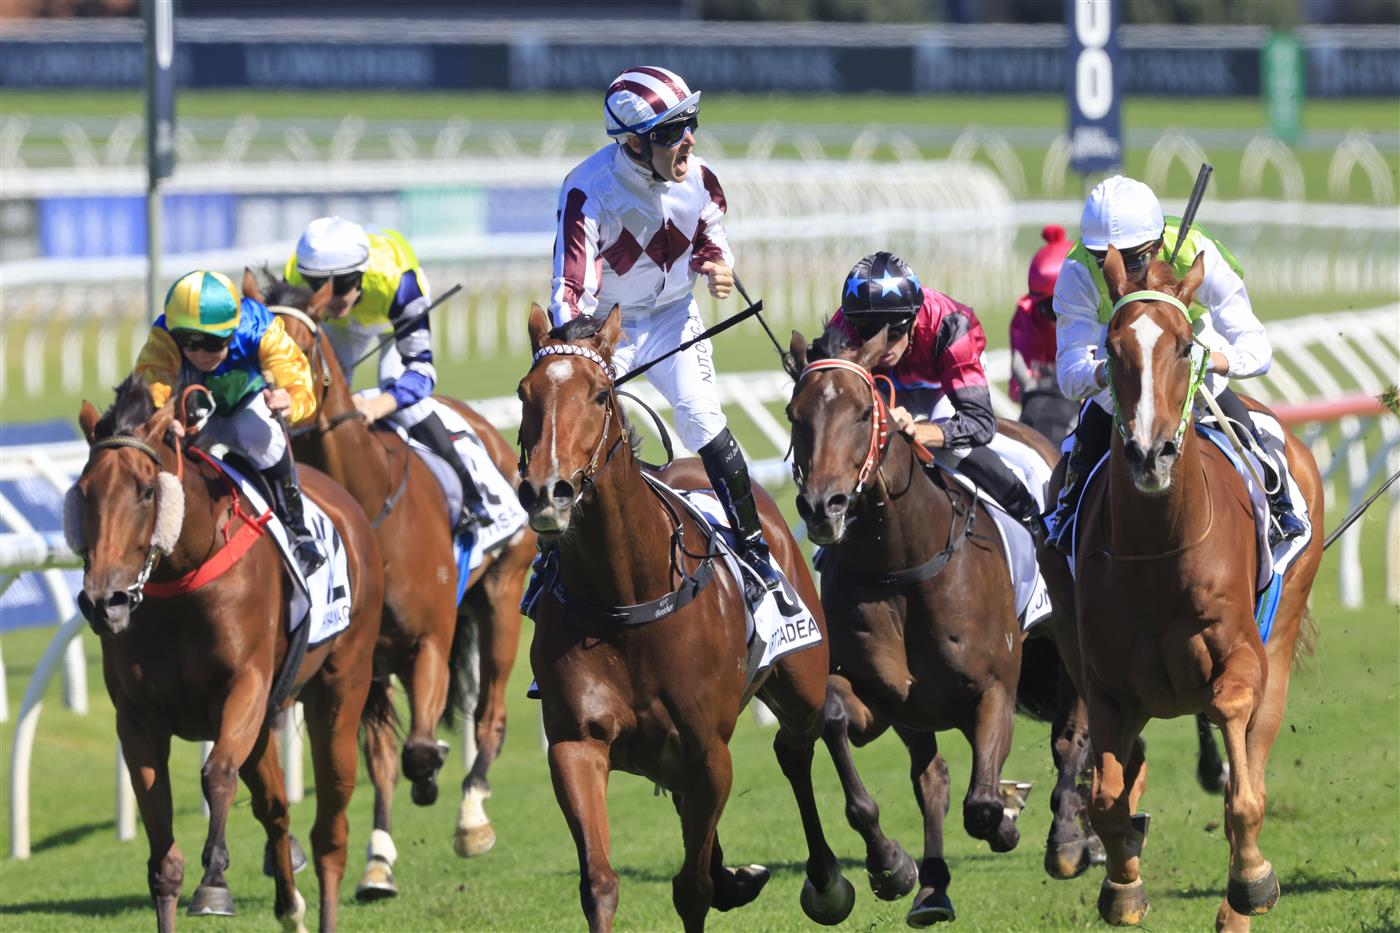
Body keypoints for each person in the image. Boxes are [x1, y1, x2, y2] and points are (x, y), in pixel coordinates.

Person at [547, 65, 780, 600]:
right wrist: (583, 357)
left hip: (675, 319)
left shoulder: (699, 178)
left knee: (702, 420)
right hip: (610, 332)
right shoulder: (588, 190)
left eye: (690, 124)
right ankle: (552, 569)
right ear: (632, 142)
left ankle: (756, 554)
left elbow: (709, 233)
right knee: (577, 438)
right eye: (671, 132)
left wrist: (718, 264)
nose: (688, 140)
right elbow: (570, 291)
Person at [1047, 174, 1307, 554]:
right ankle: (1065, 517)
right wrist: (1110, 370)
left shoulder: (1196, 249)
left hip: (1188, 349)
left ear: (1156, 243)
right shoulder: (1076, 271)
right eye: (1106, 260)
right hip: (1123, 357)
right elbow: (1070, 375)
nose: (1122, 269)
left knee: (1247, 435)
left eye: (1135, 258)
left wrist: (1209, 361)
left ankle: (1282, 505)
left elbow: (1257, 348)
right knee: (1081, 444)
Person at [283, 216, 492, 534]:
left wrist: (376, 406)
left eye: (341, 285)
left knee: (395, 383)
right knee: (318, 394)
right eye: (318, 286)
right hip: (341, 327)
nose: (330, 297)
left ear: (362, 273)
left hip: (388, 314)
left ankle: (471, 497)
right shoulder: (293, 277)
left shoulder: (398, 281)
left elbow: (421, 372)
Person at [830, 251, 1047, 545]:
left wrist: (916, 431)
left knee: (950, 449)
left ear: (913, 317)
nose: (882, 346)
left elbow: (979, 423)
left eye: (893, 332)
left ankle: (1028, 512)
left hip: (942, 383)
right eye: (869, 334)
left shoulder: (951, 325)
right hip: (887, 383)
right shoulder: (842, 328)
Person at [134, 269, 325, 575]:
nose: (199, 353)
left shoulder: (259, 327)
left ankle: (297, 529)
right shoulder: (165, 333)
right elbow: (152, 380)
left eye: (212, 342)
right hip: (193, 412)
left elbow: (295, 374)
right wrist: (161, 417)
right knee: (165, 448)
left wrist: (291, 398)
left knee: (259, 435)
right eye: (189, 342)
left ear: (232, 332)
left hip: (245, 405)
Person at [1010, 225, 1078, 447]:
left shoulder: (1094, 314)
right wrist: (1028, 385)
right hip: (1039, 394)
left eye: (1064, 307)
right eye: (1048, 307)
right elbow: (1020, 361)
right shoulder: (1026, 313)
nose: (1056, 317)